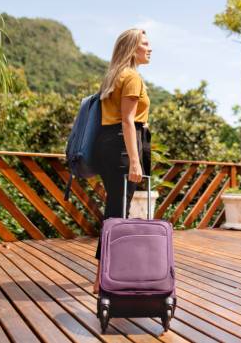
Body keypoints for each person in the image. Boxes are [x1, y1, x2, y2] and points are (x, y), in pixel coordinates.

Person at [93, 28, 152, 293]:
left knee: (114, 210)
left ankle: (100, 277)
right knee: (118, 213)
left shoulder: (113, 77)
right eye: (145, 44)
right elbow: (128, 121)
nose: (149, 48)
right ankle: (105, 278)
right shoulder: (132, 78)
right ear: (132, 49)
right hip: (122, 146)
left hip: (106, 144)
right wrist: (135, 161)